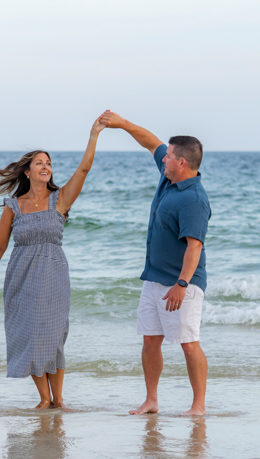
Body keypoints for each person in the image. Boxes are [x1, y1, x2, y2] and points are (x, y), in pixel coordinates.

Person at [0, 116, 107, 409]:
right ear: (28, 171)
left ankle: (58, 399)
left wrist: (94, 134)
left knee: (53, 336)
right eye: (40, 163)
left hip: (54, 274)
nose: (46, 166)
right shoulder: (13, 206)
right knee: (30, 335)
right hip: (21, 276)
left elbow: (84, 168)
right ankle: (45, 399)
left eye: (48, 163)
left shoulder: (60, 200)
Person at [100, 111, 210, 416]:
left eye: (169, 157)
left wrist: (182, 285)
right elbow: (151, 143)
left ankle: (198, 407)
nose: (164, 159)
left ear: (182, 163)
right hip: (154, 279)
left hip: (182, 282)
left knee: (189, 343)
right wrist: (122, 124)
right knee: (150, 340)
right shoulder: (168, 177)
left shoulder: (194, 199)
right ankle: (151, 400)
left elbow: (194, 246)